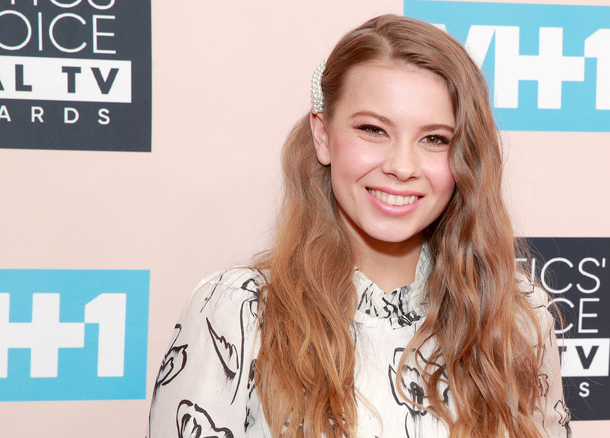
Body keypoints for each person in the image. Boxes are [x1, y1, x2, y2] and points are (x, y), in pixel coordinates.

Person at [147, 14, 571, 438]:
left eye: (435, 139)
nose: (402, 166)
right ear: (322, 135)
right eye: (373, 130)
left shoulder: (518, 316)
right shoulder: (237, 312)